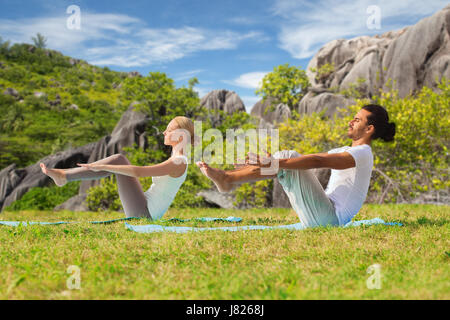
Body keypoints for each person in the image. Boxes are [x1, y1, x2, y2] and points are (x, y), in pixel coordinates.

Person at [197, 104, 396, 227]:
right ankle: (228, 178)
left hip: (330, 220)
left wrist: (276, 161)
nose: (351, 121)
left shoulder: (362, 154)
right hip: (323, 215)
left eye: (357, 119)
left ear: (369, 129)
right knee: (287, 158)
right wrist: (273, 162)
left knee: (287, 157)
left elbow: (318, 161)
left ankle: (228, 179)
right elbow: (315, 156)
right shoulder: (347, 150)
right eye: (353, 117)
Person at [40, 116, 195, 220]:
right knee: (118, 160)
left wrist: (102, 165)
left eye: (169, 130)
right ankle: (64, 176)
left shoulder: (179, 161)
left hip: (145, 213)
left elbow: (140, 172)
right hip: (145, 206)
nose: (164, 132)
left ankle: (64, 176)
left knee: (119, 160)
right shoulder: (176, 159)